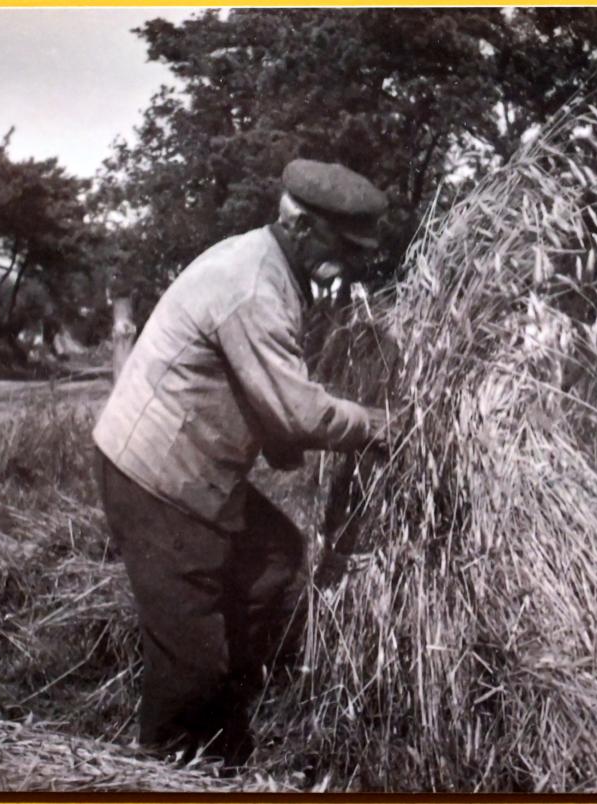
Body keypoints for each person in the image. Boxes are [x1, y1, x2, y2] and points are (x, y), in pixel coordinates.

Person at [93, 159, 395, 769]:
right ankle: (168, 763)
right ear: (304, 226)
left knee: (274, 558)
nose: (354, 261)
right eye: (343, 245)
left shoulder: (270, 263)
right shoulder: (256, 284)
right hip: (159, 479)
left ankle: (226, 722)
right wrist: (379, 425)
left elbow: (265, 397)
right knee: (190, 665)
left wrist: (287, 434)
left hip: (190, 467)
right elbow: (294, 413)